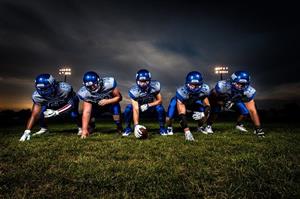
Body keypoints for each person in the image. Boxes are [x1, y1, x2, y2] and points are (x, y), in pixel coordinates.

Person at [19, 74, 81, 141]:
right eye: (41, 89)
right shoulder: (37, 96)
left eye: (45, 88)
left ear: (54, 84)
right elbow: (34, 114)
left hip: (66, 102)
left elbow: (71, 104)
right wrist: (27, 131)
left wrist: (57, 112)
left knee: (74, 114)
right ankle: (44, 129)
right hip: (51, 103)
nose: (43, 91)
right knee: (41, 112)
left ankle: (81, 127)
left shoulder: (64, 89)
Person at [203, 70, 265, 137]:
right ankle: (208, 126)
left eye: (243, 84)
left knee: (245, 112)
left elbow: (252, 111)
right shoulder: (223, 86)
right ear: (232, 81)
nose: (240, 86)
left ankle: (239, 125)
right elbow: (212, 97)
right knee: (216, 110)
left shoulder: (249, 91)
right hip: (219, 100)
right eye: (238, 83)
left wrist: (258, 128)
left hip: (235, 101)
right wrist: (222, 103)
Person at [166, 71, 210, 141]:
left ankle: (200, 127)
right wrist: (187, 131)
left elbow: (207, 105)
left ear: (201, 84)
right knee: (169, 117)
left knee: (205, 113)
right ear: (187, 84)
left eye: (197, 85)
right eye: (192, 85)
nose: (194, 88)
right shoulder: (181, 92)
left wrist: (203, 113)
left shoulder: (205, 89)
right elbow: (182, 113)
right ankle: (169, 127)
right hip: (182, 101)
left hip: (194, 102)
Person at [77, 71, 123, 139]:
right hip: (96, 107)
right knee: (87, 114)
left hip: (110, 105)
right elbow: (87, 111)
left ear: (99, 81)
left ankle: (119, 126)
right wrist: (84, 130)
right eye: (89, 86)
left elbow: (119, 97)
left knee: (116, 110)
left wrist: (107, 101)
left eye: (94, 85)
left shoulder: (109, 83)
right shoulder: (84, 93)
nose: (92, 88)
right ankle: (91, 126)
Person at [122, 69, 167, 137]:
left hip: (150, 108)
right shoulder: (134, 91)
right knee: (128, 108)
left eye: (145, 81)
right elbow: (136, 108)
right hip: (140, 108)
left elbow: (160, 100)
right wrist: (136, 125)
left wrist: (148, 105)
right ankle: (128, 128)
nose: (143, 84)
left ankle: (162, 128)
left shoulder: (155, 86)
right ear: (137, 81)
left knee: (160, 108)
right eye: (141, 81)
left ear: (149, 80)